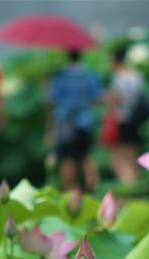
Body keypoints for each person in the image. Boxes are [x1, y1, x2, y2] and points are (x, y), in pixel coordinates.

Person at [48, 50, 102, 191]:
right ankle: (94, 189)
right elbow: (97, 98)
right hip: (85, 122)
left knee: (67, 160)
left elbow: (52, 100)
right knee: (86, 157)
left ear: (67, 56)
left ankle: (70, 193)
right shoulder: (90, 76)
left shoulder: (60, 76)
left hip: (65, 123)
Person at [106, 47, 148, 185]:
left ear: (116, 60)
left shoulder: (118, 77)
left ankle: (128, 184)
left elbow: (117, 99)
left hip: (122, 120)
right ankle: (135, 186)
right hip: (136, 120)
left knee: (118, 159)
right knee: (133, 157)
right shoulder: (137, 76)